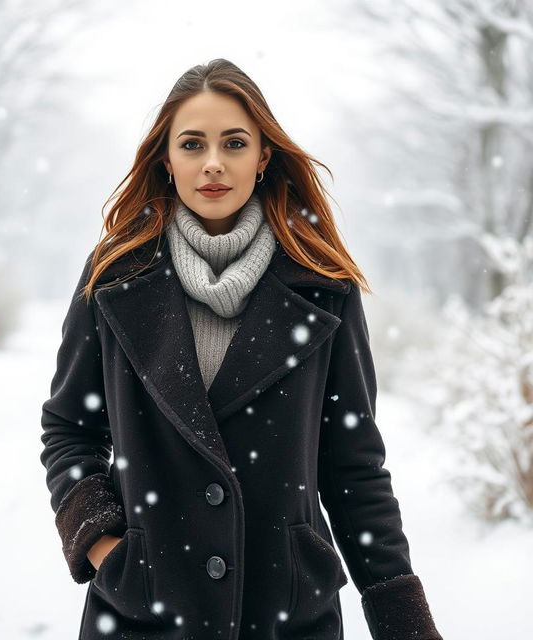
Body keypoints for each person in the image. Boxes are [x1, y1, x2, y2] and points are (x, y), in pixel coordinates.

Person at [40, 58, 443, 640]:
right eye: (192, 143)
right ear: (166, 160)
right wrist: (106, 548)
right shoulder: (113, 279)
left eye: (234, 142)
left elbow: (353, 466)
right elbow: (69, 428)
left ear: (263, 157)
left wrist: (405, 622)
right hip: (144, 613)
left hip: (287, 613)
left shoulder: (323, 285)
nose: (213, 163)